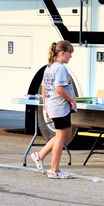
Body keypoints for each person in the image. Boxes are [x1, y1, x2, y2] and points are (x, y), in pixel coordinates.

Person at [29, 41, 77, 179]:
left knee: (66, 134)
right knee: (61, 138)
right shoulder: (60, 69)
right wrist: (72, 100)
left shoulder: (49, 68)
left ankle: (40, 155)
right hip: (60, 107)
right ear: (62, 53)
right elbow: (59, 89)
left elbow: (44, 88)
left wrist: (46, 105)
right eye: (70, 53)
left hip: (53, 106)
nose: (70, 57)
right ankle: (54, 170)